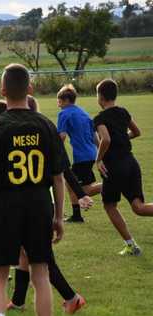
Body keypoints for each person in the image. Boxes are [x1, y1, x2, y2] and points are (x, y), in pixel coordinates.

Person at [0, 64, 66, 316]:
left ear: (2, 92)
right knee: (41, 271)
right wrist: (59, 216)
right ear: (30, 89)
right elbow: (58, 177)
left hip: (5, 205)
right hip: (40, 203)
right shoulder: (46, 126)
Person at [0, 99, 87, 315]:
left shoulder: (30, 134)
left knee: (41, 259)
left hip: (37, 204)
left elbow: (63, 173)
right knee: (25, 255)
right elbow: (62, 172)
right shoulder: (42, 132)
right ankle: (18, 300)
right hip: (40, 203)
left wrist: (70, 206)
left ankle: (72, 298)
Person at [94, 79, 152, 256]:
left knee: (110, 205)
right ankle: (130, 245)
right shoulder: (123, 112)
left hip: (114, 166)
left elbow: (106, 139)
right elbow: (137, 132)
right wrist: (123, 138)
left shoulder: (99, 118)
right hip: (131, 162)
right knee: (138, 207)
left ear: (100, 97)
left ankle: (131, 245)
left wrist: (98, 159)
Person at [56, 84, 102, 223]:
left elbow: (62, 136)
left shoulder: (64, 113)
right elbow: (95, 136)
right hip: (91, 154)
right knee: (71, 184)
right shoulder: (84, 113)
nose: (58, 105)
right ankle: (77, 215)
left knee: (82, 190)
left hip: (81, 156)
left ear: (66, 100)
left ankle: (113, 183)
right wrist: (101, 153)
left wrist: (55, 152)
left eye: (59, 101)